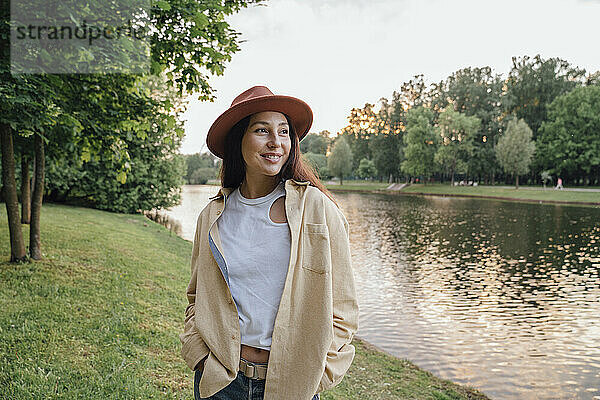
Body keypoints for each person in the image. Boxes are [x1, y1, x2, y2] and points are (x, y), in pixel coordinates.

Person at [180, 86, 359, 400]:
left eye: (284, 131)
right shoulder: (212, 217)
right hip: (222, 381)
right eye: (262, 130)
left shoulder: (315, 209)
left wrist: (319, 372)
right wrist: (199, 355)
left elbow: (343, 309)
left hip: (292, 384)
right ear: (239, 140)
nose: (276, 142)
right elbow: (197, 297)